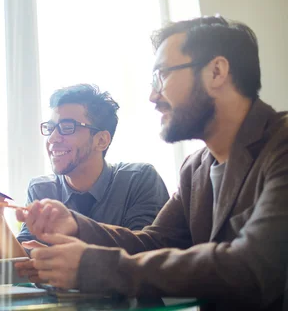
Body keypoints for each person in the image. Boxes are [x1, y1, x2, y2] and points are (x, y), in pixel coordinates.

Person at [18, 16, 288, 310]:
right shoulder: (195, 168)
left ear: (217, 71)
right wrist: (75, 224)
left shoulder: (281, 145)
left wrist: (95, 268)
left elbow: (253, 265)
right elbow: (156, 242)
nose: (153, 96)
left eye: (162, 75)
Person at [0, 84, 169, 259]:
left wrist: (67, 254)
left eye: (67, 128)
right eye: (50, 128)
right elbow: (23, 266)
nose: (52, 138)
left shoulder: (139, 179)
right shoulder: (42, 189)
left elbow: (145, 254)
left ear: (101, 140)